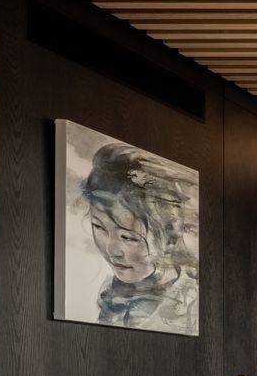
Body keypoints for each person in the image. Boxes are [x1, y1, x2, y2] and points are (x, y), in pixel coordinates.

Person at [79, 142, 199, 334]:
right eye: (99, 226)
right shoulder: (113, 290)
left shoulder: (192, 302)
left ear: (170, 238)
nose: (111, 250)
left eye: (128, 237)